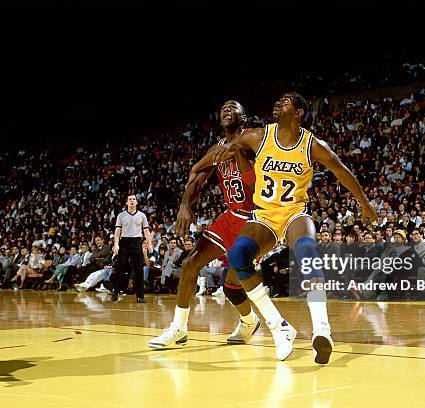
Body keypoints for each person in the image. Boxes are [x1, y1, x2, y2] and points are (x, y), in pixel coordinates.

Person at [208, 93, 377, 363]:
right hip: (264, 215)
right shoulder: (259, 136)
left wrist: (365, 204)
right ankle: (279, 327)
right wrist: (198, 174)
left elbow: (342, 171)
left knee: (307, 251)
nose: (278, 103)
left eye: (285, 101)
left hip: (295, 213)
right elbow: (224, 149)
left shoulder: (312, 145)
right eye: (278, 100)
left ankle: (322, 329)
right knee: (237, 257)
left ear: (299, 112)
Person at [149, 100, 260, 349]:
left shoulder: (253, 138)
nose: (227, 110)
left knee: (232, 287)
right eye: (223, 108)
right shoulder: (216, 148)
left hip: (256, 219)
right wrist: (185, 205)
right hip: (231, 215)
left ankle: (256, 322)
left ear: (244, 116)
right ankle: (178, 328)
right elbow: (197, 179)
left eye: (234, 107)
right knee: (189, 264)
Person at [111, 194, 153, 303]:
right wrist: (116, 244)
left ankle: (140, 295)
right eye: (130, 199)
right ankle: (115, 291)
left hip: (136, 242)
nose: (132, 201)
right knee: (119, 268)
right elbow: (117, 231)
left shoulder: (142, 215)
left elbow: (146, 231)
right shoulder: (121, 215)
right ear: (127, 202)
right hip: (124, 242)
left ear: (137, 202)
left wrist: (149, 243)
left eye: (134, 199)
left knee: (139, 269)